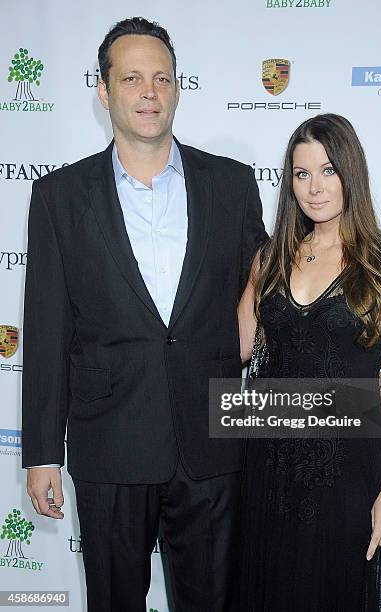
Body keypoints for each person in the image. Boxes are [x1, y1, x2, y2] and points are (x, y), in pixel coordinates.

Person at [22, 17, 266, 612]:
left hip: (212, 444)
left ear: (179, 87)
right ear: (104, 92)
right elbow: (48, 330)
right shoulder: (59, 196)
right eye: (131, 78)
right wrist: (41, 453)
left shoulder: (231, 185)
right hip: (110, 444)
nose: (149, 92)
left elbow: (266, 299)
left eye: (161, 78)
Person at [238, 113, 381, 610]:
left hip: (346, 475)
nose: (315, 187)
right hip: (267, 468)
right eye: (302, 174)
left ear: (352, 173)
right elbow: (236, 347)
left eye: (328, 170)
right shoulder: (272, 257)